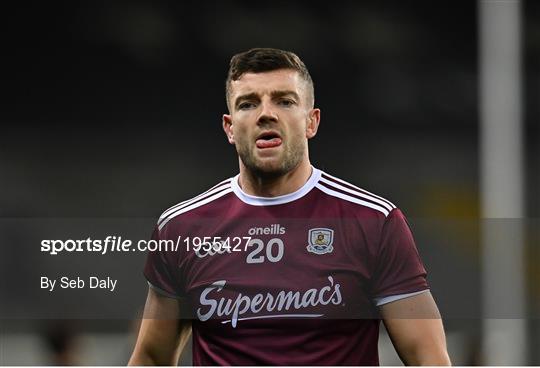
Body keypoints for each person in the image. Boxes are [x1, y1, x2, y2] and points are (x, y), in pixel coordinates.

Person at [129, 48, 451, 366]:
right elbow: (152, 359)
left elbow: (429, 359)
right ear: (229, 127)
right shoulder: (182, 228)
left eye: (284, 101)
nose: (266, 113)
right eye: (248, 103)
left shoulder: (373, 222)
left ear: (311, 122)